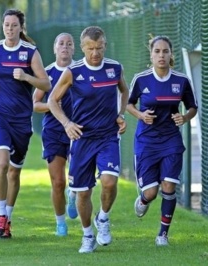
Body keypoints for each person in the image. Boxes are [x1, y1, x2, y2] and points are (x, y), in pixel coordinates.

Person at [48, 26, 129, 253]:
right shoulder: (73, 72)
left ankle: (103, 218)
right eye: (91, 48)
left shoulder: (114, 68)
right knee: (83, 193)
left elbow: (124, 90)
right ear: (82, 48)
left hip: (107, 137)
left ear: (105, 45)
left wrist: (120, 114)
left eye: (99, 48)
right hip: (82, 139)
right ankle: (87, 235)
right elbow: (53, 100)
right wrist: (67, 123)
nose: (95, 53)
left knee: (110, 182)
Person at [0, 8, 50, 239]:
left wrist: (27, 77)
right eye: (6, 25)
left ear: (20, 28)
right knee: (2, 163)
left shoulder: (30, 52)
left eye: (14, 25)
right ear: (2, 27)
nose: (9, 29)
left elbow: (45, 84)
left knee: (14, 173)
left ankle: (8, 217)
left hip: (21, 121)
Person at [127, 35, 197, 246]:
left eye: (165, 51)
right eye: (157, 51)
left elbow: (193, 107)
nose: (161, 55)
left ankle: (162, 235)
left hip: (171, 140)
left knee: (168, 186)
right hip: (146, 141)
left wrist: (184, 117)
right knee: (151, 192)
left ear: (171, 54)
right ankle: (143, 200)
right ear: (151, 54)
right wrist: (141, 115)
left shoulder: (181, 80)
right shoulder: (141, 79)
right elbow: (129, 104)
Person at [33, 32, 78, 237]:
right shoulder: (47, 73)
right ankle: (60, 223)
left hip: (78, 130)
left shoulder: (80, 71)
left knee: (77, 178)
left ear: (74, 48)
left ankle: (73, 193)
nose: (65, 47)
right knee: (58, 181)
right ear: (54, 48)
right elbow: (36, 104)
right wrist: (51, 107)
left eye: (69, 44)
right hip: (53, 132)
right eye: (61, 43)